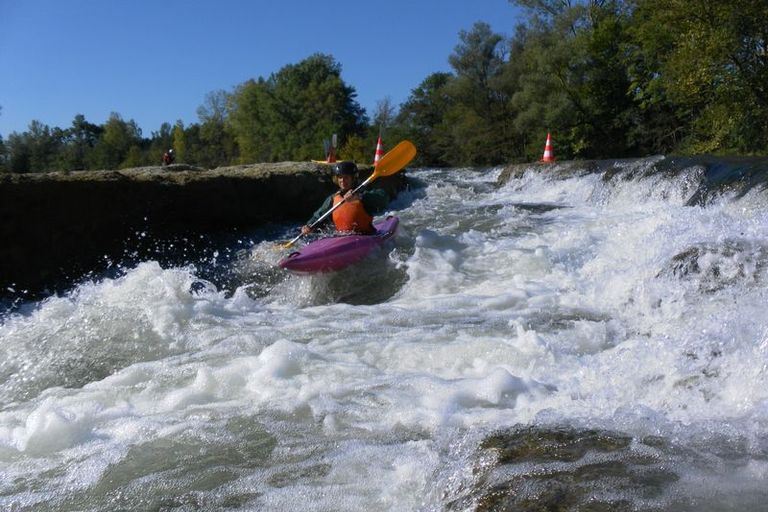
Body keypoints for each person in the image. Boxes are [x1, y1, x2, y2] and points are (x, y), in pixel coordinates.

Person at [301, 161, 389, 235]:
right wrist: (309, 225)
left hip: (366, 236)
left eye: (346, 177)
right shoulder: (333, 198)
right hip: (342, 237)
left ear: (353, 178)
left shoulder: (362, 194)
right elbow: (318, 215)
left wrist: (359, 197)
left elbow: (383, 198)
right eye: (340, 177)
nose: (342, 181)